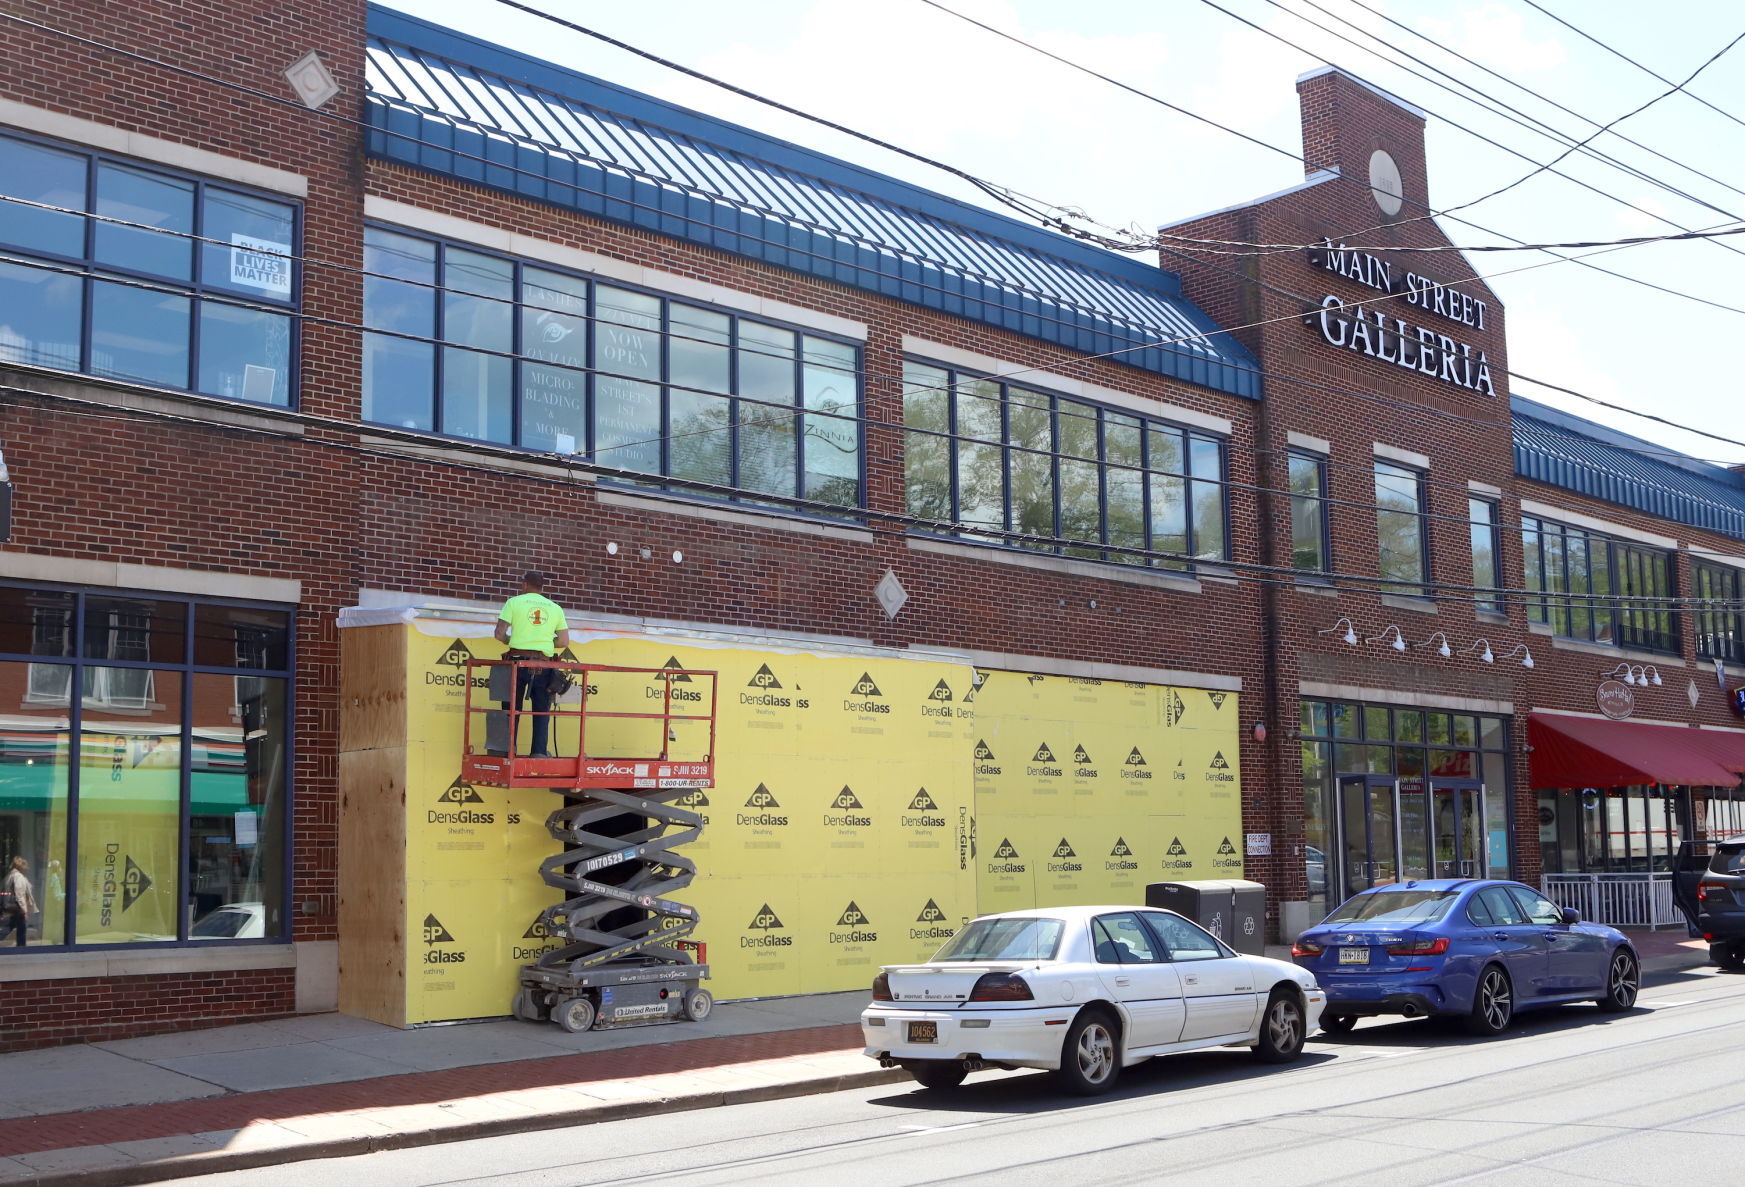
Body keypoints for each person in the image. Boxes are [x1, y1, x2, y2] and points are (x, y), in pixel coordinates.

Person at [495, 570, 571, 758]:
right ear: (542, 587)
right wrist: (543, 644)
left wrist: (510, 641)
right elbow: (563, 641)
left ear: (524, 585)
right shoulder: (555, 608)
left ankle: (507, 750)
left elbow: (498, 633)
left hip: (516, 663)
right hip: (542, 665)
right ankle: (538, 752)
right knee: (541, 710)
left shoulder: (513, 603)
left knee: (511, 709)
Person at [3, 857, 36, 948]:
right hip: (18, 906)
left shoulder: (10, 875)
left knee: (11, 926)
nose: (26, 869)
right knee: (22, 928)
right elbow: (19, 894)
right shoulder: (18, 877)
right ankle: (21, 947)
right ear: (21, 866)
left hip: (12, 905)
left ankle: (20, 946)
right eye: (25, 866)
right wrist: (24, 910)